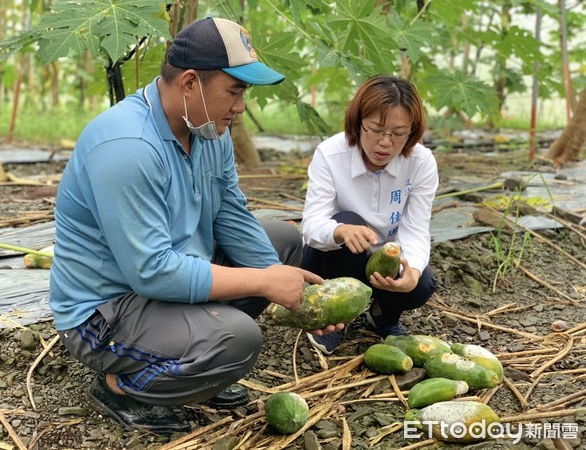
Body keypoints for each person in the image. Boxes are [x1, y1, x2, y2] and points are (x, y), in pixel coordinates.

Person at [49, 17, 341, 434]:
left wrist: (297, 291)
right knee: (238, 340)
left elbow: (231, 213)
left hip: (169, 275)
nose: (241, 107)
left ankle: (191, 361)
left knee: (283, 243)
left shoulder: (207, 129)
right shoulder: (128, 147)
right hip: (106, 310)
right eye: (234, 91)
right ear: (189, 83)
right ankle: (121, 386)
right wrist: (264, 284)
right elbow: (151, 271)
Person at [301, 75, 439, 355]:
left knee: (423, 283)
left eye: (398, 134)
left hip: (381, 263)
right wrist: (340, 232)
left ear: (412, 132)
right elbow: (312, 224)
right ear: (358, 122)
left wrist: (411, 271)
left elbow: (415, 229)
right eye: (375, 129)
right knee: (347, 221)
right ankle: (332, 318)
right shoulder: (330, 154)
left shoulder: (421, 162)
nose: (385, 143)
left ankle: (383, 315)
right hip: (332, 259)